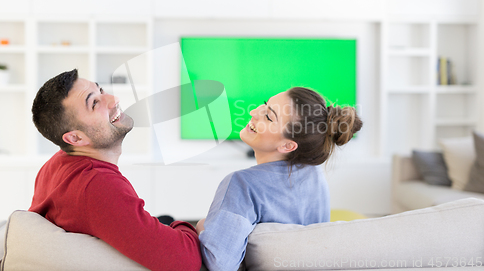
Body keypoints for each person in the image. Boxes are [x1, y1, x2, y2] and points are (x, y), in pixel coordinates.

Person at [29, 69, 202, 271]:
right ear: (75, 138)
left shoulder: (58, 161)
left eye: (100, 90)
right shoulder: (97, 186)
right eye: (94, 103)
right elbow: (187, 261)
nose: (113, 99)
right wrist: (195, 229)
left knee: (165, 219)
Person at [196, 87, 363, 271]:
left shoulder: (242, 184)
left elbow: (219, 264)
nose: (253, 112)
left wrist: (201, 227)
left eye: (268, 116)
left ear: (287, 145)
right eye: (265, 105)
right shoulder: (315, 175)